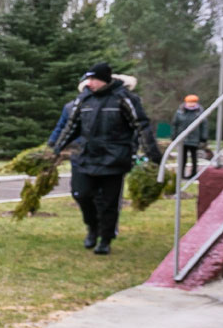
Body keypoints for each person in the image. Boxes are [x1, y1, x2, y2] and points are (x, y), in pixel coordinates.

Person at [53, 62, 159, 255]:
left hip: (114, 159)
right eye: (88, 79)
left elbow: (141, 125)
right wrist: (56, 148)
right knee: (81, 194)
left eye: (93, 79)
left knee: (109, 203)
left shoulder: (124, 99)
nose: (89, 83)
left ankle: (106, 239)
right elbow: (71, 126)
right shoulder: (83, 99)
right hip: (86, 156)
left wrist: (153, 154)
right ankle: (92, 228)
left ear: (104, 80)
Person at [172, 94, 208, 179]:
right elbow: (175, 124)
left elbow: (204, 125)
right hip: (182, 139)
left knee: (194, 157)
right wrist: (174, 136)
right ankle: (181, 174)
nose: (191, 104)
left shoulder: (199, 112)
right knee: (182, 157)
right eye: (189, 102)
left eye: (193, 102)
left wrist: (203, 138)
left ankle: (194, 173)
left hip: (195, 139)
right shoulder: (180, 112)